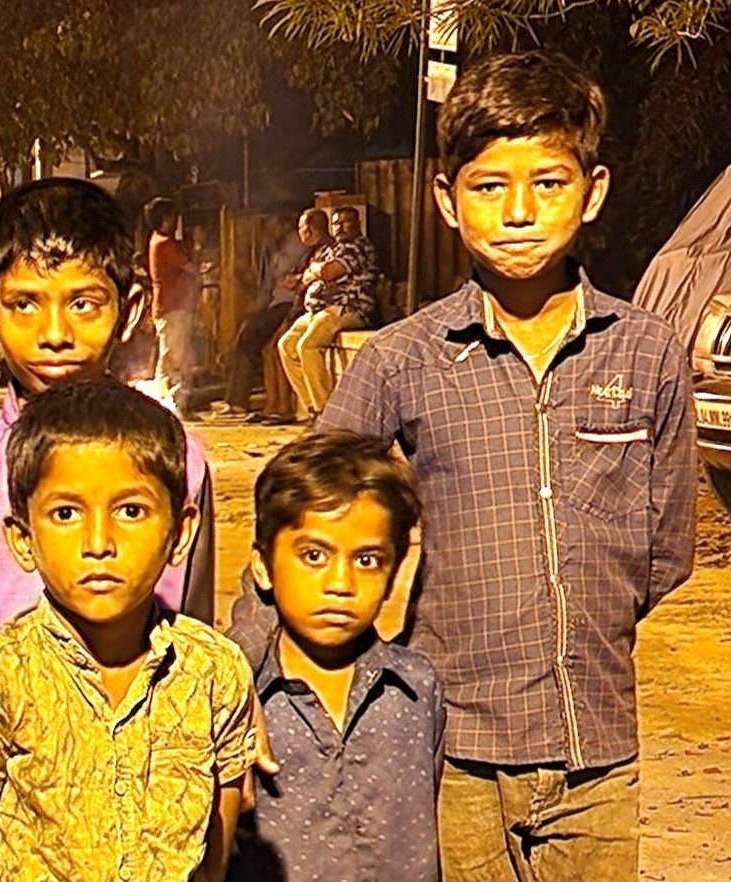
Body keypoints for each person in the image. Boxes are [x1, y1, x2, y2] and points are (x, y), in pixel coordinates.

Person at [315, 52, 696, 882]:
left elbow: (666, 553)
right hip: (452, 754)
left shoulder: (649, 351)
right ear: (447, 200)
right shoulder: (401, 360)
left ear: (592, 191)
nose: (519, 212)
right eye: (489, 187)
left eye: (548, 183)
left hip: (597, 754)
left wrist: (576, 608)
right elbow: (307, 512)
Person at [0, 178, 216, 882]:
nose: (55, 332)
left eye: (83, 302)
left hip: (143, 808)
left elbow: (196, 634)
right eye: (25, 304)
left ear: (130, 308)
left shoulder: (179, 463)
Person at [0, 377, 256, 882]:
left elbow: (215, 861)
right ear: (23, 538)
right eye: (65, 513)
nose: (98, 542)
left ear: (181, 531)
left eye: (131, 511)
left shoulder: (215, 674)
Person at [226, 432, 443, 882]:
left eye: (366, 560)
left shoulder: (417, 690)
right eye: (313, 556)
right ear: (263, 567)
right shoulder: (238, 699)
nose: (341, 583)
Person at [276, 208, 374, 422]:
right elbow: (304, 281)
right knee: (287, 345)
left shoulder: (358, 247)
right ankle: (312, 407)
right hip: (318, 310)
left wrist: (315, 271)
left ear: (357, 223)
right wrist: (311, 274)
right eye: (336, 223)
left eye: (346, 222)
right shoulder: (332, 249)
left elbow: (329, 272)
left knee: (307, 346)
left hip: (346, 308)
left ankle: (326, 411)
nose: (340, 227)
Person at [223, 214, 308, 420]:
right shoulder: (274, 247)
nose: (267, 231)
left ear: (281, 223)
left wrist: (271, 249)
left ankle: (241, 401)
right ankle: (243, 401)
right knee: (250, 335)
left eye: (270, 225)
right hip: (275, 304)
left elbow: (281, 271)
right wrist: (257, 308)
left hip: (290, 304)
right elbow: (267, 286)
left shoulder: (295, 242)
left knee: (251, 335)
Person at [148, 197, 199, 414]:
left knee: (171, 355)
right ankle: (174, 403)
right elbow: (192, 269)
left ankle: (171, 401)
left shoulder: (156, 240)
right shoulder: (165, 244)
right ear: (165, 219)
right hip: (173, 306)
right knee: (175, 357)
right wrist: (197, 246)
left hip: (168, 305)